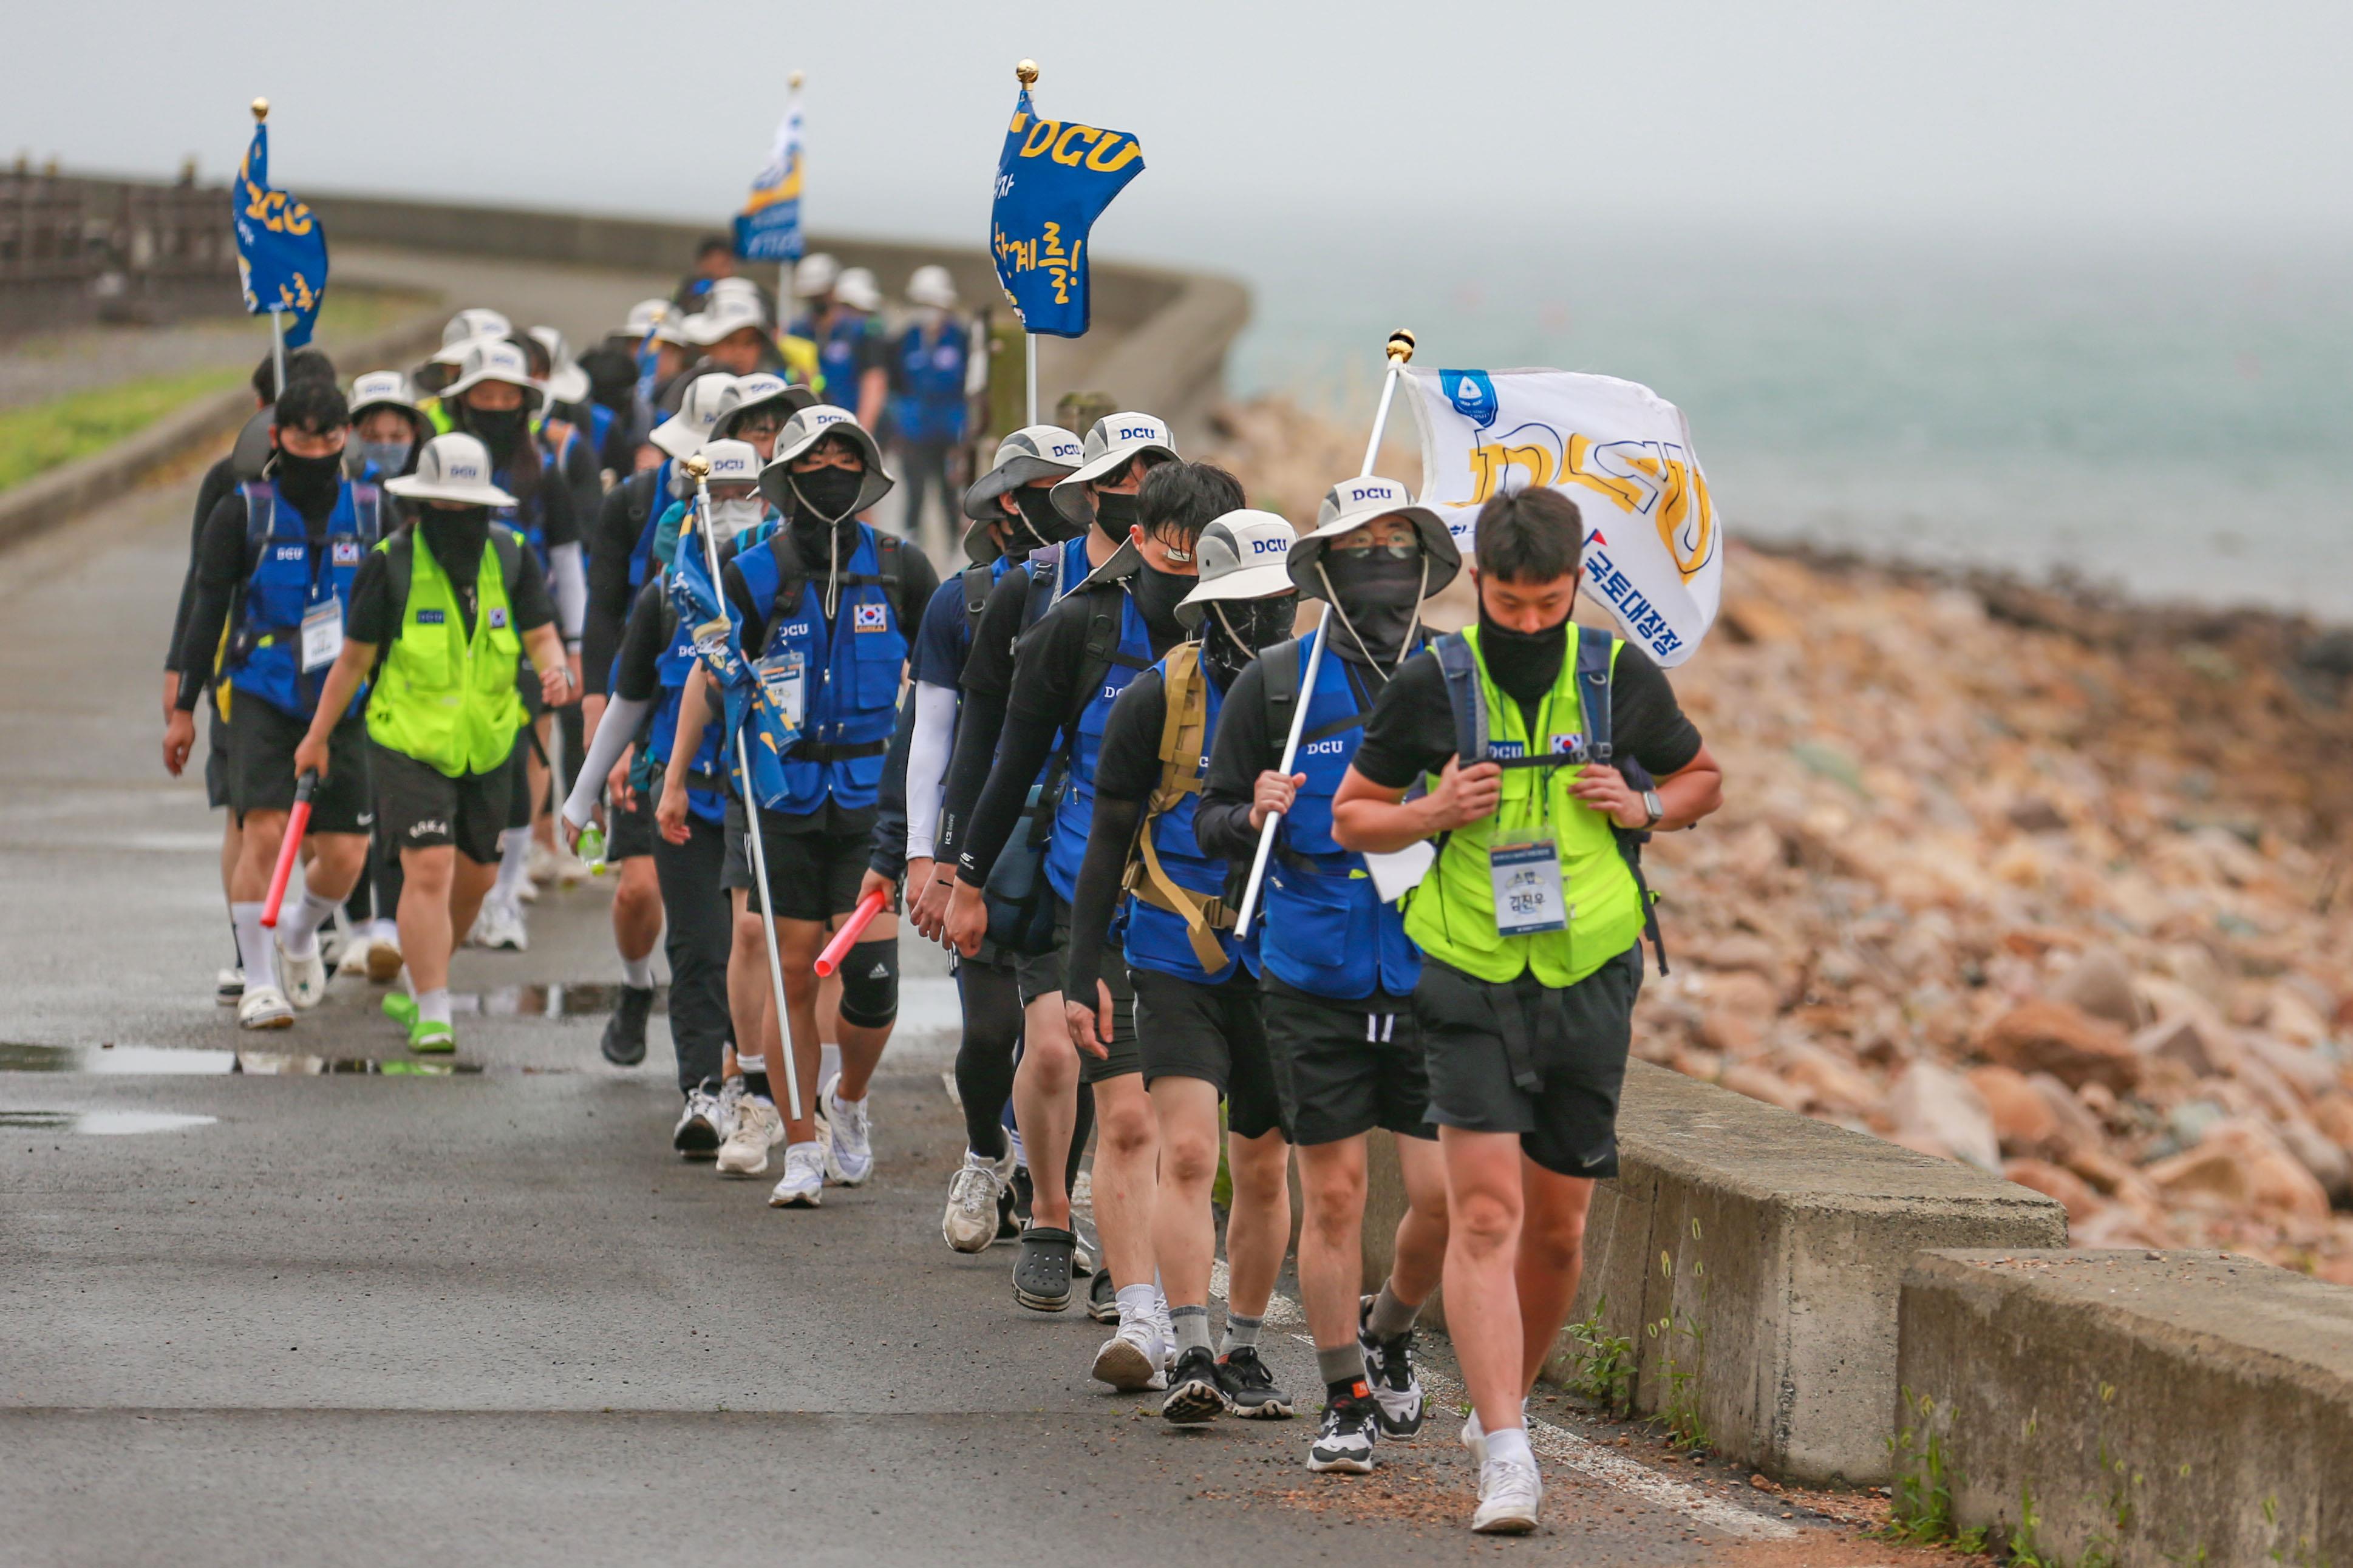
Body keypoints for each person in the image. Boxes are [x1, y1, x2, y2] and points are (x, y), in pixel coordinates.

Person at [1331, 486, 1723, 1534]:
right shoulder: (1434, 679)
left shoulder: (1613, 673)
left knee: (1558, 1226)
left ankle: (1510, 1399)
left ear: (1575, 584)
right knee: (1489, 1210)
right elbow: (1352, 815)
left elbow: (1701, 779)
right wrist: (1429, 809)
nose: (1531, 622)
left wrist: (1643, 804)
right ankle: (1506, 1448)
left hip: (1592, 968)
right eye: (1511, 603)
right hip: (1467, 967)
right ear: (1482, 586)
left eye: (1549, 602)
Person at [936, 429, 1212, 1389]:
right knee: (1075, 1072)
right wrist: (956, 871)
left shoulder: (1246, 636)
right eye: (1130, 492)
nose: (1154, 523)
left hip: (1191, 912)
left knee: (1165, 1128)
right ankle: (1071, 1236)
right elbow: (998, 752)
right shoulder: (1064, 612)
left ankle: (1169, 1310)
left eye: (1173, 510)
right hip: (1076, 882)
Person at [1194, 475, 1460, 1472]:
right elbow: (1212, 819)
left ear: (1427, 562)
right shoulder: (1275, 683)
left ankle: (1389, 1327)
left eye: (1400, 543)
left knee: (1439, 1197)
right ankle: (1344, 1393)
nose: (1383, 561)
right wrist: (1250, 807)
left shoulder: (1456, 675)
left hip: (1436, 967)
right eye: (1362, 546)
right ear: (1328, 567)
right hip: (1309, 969)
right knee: (1336, 1194)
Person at [659, 407, 938, 1207]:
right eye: (816, 458)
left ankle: (847, 1098)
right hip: (780, 796)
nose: (832, 470)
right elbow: (711, 670)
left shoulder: (901, 568)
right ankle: (803, 1143)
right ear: (787, 474)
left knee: (873, 978)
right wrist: (680, 771)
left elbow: (944, 687)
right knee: (788, 970)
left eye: (847, 456)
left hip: (870, 803)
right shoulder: (751, 571)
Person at [1058, 507, 1301, 1426]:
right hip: (1172, 955)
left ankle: (1243, 1345)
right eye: (1247, 601)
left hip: (1285, 959)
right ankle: (1191, 1344)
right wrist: (1085, 969)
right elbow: (1105, 839)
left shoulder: (1318, 693)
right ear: (1207, 602)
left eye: (1280, 600)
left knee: (1265, 1165)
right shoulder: (1156, 697)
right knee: (1190, 1149)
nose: (1266, 618)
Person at [295, 435, 573, 1053]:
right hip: (407, 743)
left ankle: (424, 977)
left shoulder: (512, 558)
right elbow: (350, 663)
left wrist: (557, 670)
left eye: (467, 507)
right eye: (442, 507)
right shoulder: (389, 564)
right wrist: (316, 738)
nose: (457, 520)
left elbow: (543, 635)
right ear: (421, 507)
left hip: (489, 743)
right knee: (429, 868)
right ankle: (432, 1008)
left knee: (475, 878)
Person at [902, 425, 1087, 1251]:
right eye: (1054, 483)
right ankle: (986, 1149)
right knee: (985, 1031)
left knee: (1065, 1039)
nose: (1075, 497)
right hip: (989, 836)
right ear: (1011, 498)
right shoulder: (966, 599)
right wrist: (927, 857)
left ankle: (1054, 1199)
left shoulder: (1108, 593)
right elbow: (936, 739)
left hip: (1079, 833)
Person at [564, 438, 772, 1138]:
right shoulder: (664, 597)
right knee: (695, 946)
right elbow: (626, 701)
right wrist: (581, 793)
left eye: (749, 498)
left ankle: (764, 1086)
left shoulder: (790, 584)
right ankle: (703, 1091)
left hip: (771, 802)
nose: (734, 516)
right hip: (683, 799)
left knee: (760, 944)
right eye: (719, 501)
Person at [167, 378, 379, 1030]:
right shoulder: (242, 513)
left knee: (344, 854)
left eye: (330, 436)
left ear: (345, 437)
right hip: (261, 693)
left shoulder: (373, 512)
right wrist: (181, 708)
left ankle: (298, 930)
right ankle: (259, 982)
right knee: (262, 830)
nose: (317, 449)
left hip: (343, 703)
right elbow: (206, 612)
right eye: (303, 436)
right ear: (278, 437)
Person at [438, 339, 587, 952]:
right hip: (448, 639)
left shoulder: (543, 475)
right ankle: (460, 877)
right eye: (485, 397)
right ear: (463, 402)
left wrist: (573, 646)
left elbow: (567, 562)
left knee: (530, 750)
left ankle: (507, 885)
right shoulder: (441, 461)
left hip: (527, 636)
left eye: (508, 398)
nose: (497, 407)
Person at [333, 370, 437, 983]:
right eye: (371, 432)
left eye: (397, 432)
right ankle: (349, 927)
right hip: (345, 661)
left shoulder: (423, 500)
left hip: (403, 672)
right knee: (348, 810)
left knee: (391, 808)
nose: (385, 442)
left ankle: (388, 926)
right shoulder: (340, 495)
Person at [888, 265, 973, 556]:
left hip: (950, 430)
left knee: (949, 493)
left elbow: (969, 386)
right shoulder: (906, 339)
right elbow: (896, 385)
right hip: (913, 430)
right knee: (914, 491)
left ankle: (954, 547)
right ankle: (910, 546)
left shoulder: (961, 339)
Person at [811, 266, 887, 430]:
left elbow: (874, 384)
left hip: (851, 423)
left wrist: (862, 430)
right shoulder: (828, 337)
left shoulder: (868, 338)